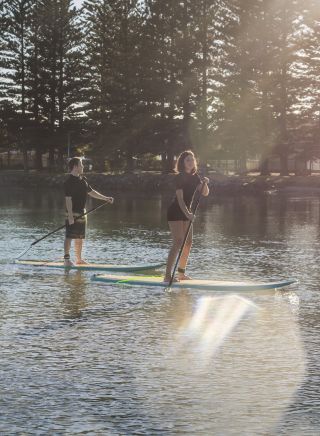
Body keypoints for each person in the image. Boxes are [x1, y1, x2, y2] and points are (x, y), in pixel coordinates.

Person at [164, 150, 209, 283]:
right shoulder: (179, 177)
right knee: (178, 241)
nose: (191, 162)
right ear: (182, 163)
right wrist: (188, 214)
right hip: (176, 211)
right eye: (187, 160)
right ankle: (167, 275)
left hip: (186, 212)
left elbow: (205, 193)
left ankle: (181, 274)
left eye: (192, 160)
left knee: (188, 243)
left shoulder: (195, 177)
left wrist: (205, 183)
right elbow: (180, 199)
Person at [64, 157, 114, 266]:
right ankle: (66, 260)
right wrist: (71, 216)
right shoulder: (68, 182)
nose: (83, 167)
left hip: (82, 212)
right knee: (69, 236)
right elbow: (68, 200)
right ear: (75, 166)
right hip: (71, 213)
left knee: (80, 237)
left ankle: (79, 259)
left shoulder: (83, 180)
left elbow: (92, 192)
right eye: (81, 164)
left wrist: (106, 198)